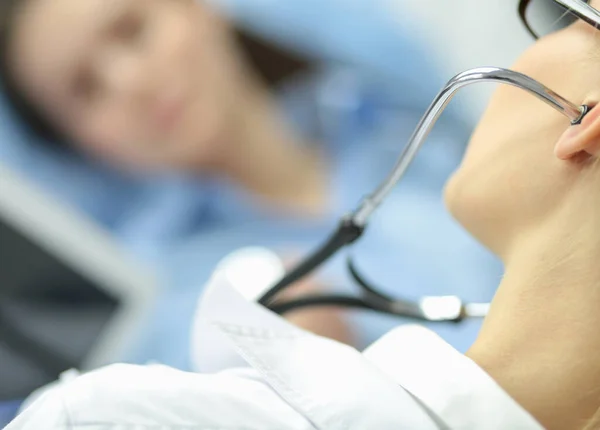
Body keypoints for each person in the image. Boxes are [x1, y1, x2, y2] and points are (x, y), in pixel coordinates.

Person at [7, 0, 600, 428]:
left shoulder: (387, 107)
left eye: (132, 29)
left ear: (198, 8)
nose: (130, 80)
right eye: (85, 89)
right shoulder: (171, 306)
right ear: (78, 146)